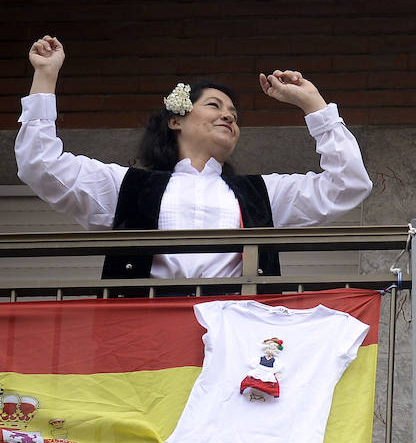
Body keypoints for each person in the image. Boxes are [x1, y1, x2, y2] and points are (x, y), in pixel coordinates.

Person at [17, 35, 373, 280]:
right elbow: (40, 165)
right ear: (176, 120)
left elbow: (347, 185)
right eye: (215, 106)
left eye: (233, 113)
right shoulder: (125, 186)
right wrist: (45, 77)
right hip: (147, 341)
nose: (228, 116)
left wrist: (314, 105)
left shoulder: (262, 194)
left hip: (235, 342)